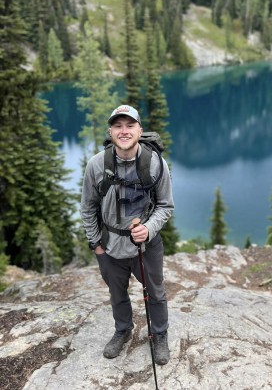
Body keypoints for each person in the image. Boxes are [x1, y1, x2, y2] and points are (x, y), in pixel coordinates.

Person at [81, 105, 174, 363]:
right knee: (117, 293)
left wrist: (149, 228)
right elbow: (88, 207)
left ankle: (159, 334)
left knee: (155, 291)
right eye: (118, 126)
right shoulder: (96, 165)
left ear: (139, 130)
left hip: (146, 245)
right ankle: (123, 331)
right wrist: (96, 244)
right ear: (110, 131)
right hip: (109, 245)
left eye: (130, 125)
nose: (124, 131)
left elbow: (166, 205)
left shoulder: (155, 163)